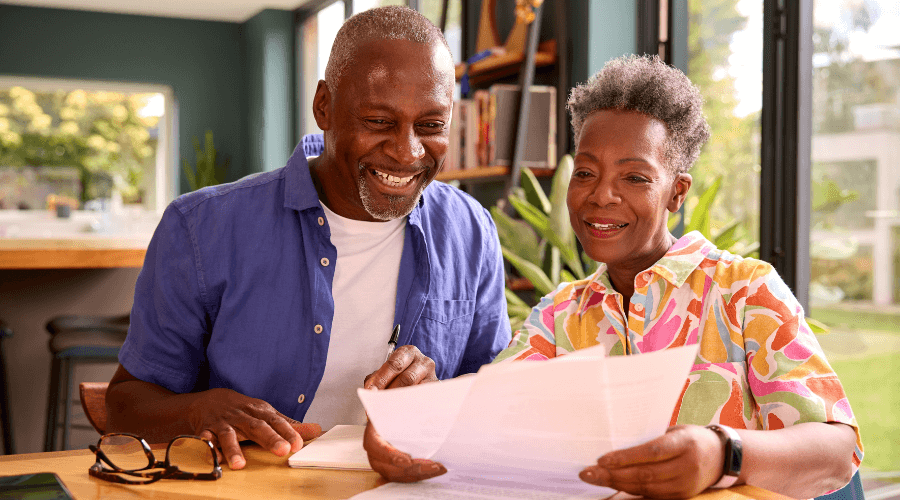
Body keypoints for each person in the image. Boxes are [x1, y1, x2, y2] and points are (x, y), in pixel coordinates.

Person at [364, 54, 862, 499]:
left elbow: (838, 450)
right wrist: (419, 424)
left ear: (677, 192)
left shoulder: (745, 291)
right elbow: (491, 427)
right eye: (585, 172)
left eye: (635, 177)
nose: (601, 196)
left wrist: (722, 454)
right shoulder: (561, 314)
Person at [105, 6, 510, 471]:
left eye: (431, 125)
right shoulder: (201, 227)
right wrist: (199, 409)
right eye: (379, 121)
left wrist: (437, 405)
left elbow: (492, 400)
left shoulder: (471, 230)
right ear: (324, 107)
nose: (407, 151)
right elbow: (123, 405)